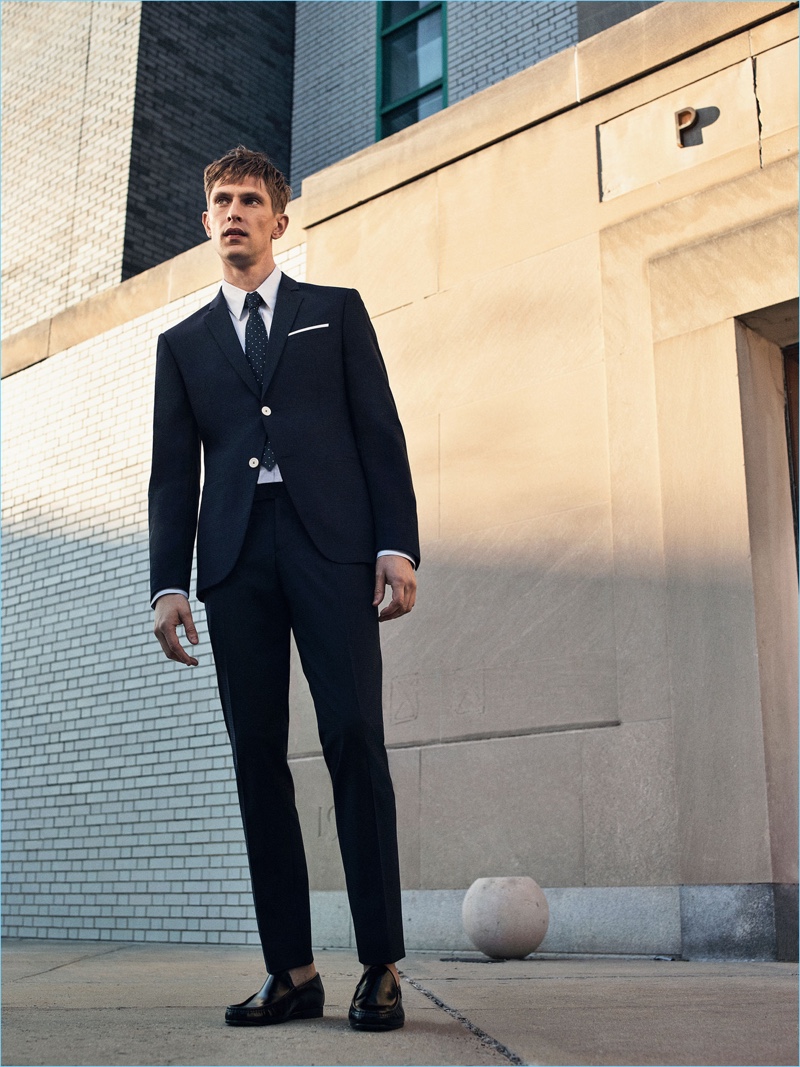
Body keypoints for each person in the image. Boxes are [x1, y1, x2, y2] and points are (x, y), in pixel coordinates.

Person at [149, 146, 419, 1031]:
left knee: (352, 735)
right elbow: (171, 477)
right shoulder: (181, 345)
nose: (235, 212)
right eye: (221, 199)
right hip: (234, 564)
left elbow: (379, 431)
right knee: (256, 758)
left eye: (250, 200)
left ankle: (378, 962)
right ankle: (292, 970)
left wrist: (395, 544)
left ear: (280, 219)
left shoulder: (332, 313)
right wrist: (168, 583)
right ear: (206, 220)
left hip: (331, 548)